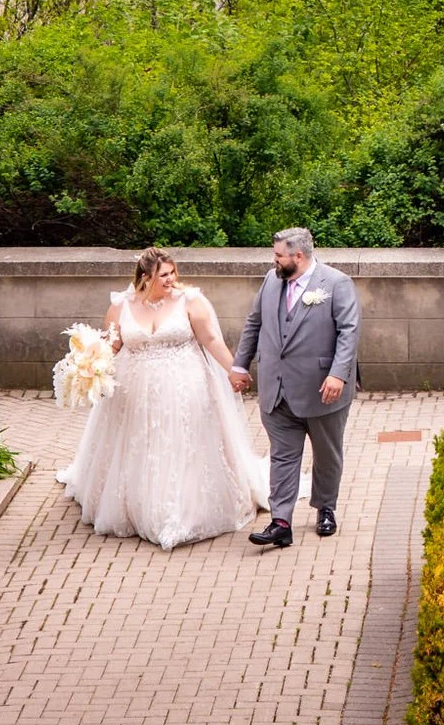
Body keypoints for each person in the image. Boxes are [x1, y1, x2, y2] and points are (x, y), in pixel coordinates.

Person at [55, 248, 272, 549]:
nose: (171, 280)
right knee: (139, 445)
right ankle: (136, 505)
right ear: (145, 278)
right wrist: (89, 367)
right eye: (163, 275)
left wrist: (233, 370)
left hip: (185, 388)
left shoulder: (191, 300)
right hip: (134, 392)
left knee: (181, 444)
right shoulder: (121, 306)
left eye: (172, 273)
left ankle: (181, 509)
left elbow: (211, 339)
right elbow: (111, 347)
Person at [231, 226, 359, 548]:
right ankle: (281, 522)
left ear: (298, 256)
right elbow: (254, 322)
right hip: (276, 388)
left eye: (278, 255)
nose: (274, 261)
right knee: (283, 456)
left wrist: (338, 374)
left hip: (323, 389)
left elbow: (349, 332)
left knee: (327, 455)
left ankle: (325, 508)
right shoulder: (270, 280)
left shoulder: (335, 283)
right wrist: (239, 364)